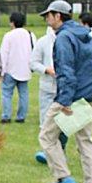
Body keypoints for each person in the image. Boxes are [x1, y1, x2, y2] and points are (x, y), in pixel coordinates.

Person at [38, 0, 92, 183]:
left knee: (47, 136)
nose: (46, 19)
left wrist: (65, 102)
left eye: (48, 15)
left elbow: (66, 71)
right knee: (85, 138)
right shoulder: (83, 34)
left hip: (75, 96)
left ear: (58, 16)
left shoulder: (64, 38)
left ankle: (63, 178)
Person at [30, 26, 67, 164]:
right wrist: (46, 69)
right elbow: (33, 62)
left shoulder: (68, 40)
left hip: (65, 88)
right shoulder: (43, 41)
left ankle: (61, 151)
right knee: (46, 120)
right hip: (47, 88)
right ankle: (48, 152)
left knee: (64, 121)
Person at [0, 12, 36, 124]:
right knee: (23, 94)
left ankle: (6, 116)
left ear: (12, 22)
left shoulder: (8, 35)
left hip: (10, 69)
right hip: (25, 69)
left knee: (6, 93)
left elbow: (3, 54)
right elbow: (35, 51)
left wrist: (2, 71)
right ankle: (21, 116)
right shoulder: (30, 34)